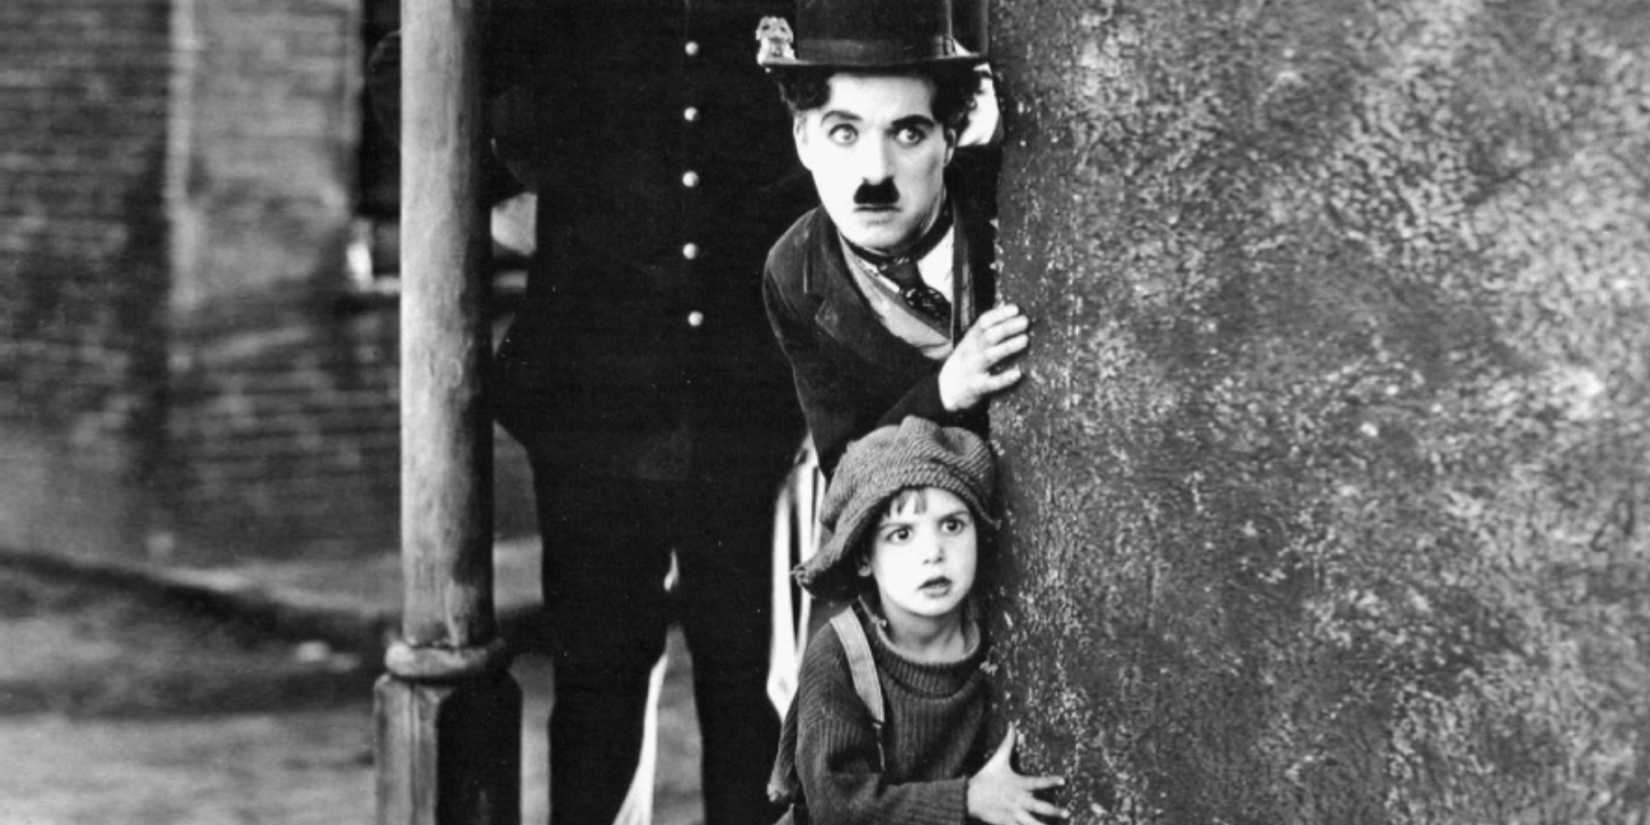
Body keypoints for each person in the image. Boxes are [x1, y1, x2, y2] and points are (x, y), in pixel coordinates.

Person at [369, 3, 815, 823]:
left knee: (757, 687)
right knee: (598, 688)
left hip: (752, 399)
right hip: (594, 402)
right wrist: (496, 199)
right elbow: (410, 69)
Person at [757, 0, 1030, 480]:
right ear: (803, 139)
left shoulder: (1009, 206)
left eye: (907, 133)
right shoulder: (795, 271)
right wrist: (944, 393)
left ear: (950, 138)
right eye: (844, 133)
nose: (876, 173)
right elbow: (846, 466)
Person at [768, 416, 1067, 825]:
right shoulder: (842, 656)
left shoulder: (996, 626)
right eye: (901, 534)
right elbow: (835, 806)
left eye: (952, 525)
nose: (934, 552)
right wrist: (966, 800)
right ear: (862, 558)